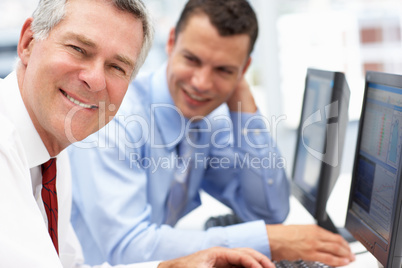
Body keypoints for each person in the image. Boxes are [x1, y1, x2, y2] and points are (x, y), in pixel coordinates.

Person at [69, 0, 355, 267]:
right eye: (192, 59)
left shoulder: (206, 123)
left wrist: (243, 108)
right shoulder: (113, 117)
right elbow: (128, 248)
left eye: (223, 69)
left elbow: (269, 211)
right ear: (171, 43)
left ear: (243, 70)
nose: (201, 83)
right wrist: (272, 242)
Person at [0, 0, 276, 267]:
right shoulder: (15, 140)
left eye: (117, 67)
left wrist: (172, 267)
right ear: (28, 42)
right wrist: (269, 241)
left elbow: (69, 265)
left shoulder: (54, 148)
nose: (95, 80)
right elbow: (127, 246)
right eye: (78, 49)